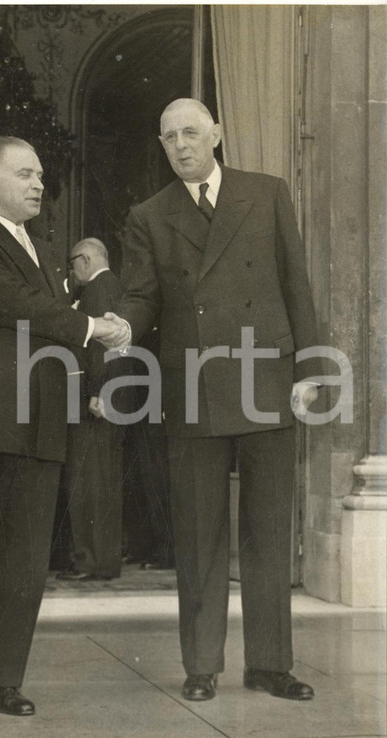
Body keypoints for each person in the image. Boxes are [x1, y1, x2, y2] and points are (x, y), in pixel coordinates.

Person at [107, 98, 322, 702]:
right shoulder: (149, 215)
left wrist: (308, 367)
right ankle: (201, 665)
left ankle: (270, 665)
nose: (182, 145)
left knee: (266, 533)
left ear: (217, 135)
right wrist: (125, 323)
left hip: (267, 379)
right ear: (162, 145)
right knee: (199, 536)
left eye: (192, 133)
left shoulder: (268, 191)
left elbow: (294, 281)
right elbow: (143, 296)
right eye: (170, 136)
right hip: (195, 386)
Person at [0, 136, 125, 719]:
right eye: (25, 174)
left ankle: (2, 680)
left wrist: (94, 323)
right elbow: (11, 303)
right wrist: (91, 327)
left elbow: (44, 316)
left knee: (25, 560)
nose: (39, 184)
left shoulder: (40, 250)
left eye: (40, 175)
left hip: (39, 424)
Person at [57, 238, 129, 581]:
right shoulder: (115, 286)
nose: (72, 273)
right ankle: (102, 561)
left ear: (84, 260)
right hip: (110, 398)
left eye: (72, 265)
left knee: (86, 481)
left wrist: (98, 392)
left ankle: (89, 561)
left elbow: (105, 346)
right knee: (103, 480)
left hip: (96, 402)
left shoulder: (97, 290)